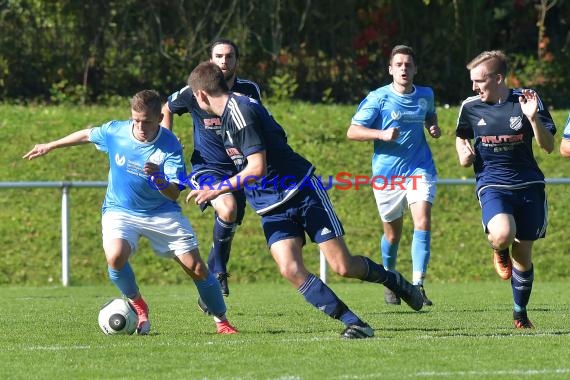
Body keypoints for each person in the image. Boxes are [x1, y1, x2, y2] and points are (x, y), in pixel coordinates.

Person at [185, 61, 425, 339]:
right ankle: (355, 322)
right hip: (270, 206)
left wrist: (218, 189)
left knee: (343, 266)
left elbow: (257, 167)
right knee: (290, 268)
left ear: (201, 95)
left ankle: (393, 280)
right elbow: (277, 135)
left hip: (301, 192)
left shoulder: (239, 113)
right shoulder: (233, 112)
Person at [23, 90, 238, 335]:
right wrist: (50, 145)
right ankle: (139, 305)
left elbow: (173, 194)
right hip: (120, 210)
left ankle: (222, 321)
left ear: (159, 117)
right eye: (136, 120)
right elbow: (87, 134)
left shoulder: (170, 146)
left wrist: (158, 178)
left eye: (146, 121)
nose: (140, 126)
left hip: (162, 212)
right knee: (115, 257)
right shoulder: (116, 131)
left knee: (197, 268)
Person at [455, 50, 556, 328]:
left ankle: (519, 313)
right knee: (502, 234)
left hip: (529, 185)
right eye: (472, 81)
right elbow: (462, 137)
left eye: (479, 81)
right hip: (493, 184)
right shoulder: (470, 106)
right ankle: (499, 248)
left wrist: (533, 118)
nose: (474, 87)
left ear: (498, 78)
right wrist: (463, 154)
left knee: (523, 256)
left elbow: (548, 146)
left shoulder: (527, 99)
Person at [162, 38, 262, 298]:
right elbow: (166, 108)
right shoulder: (194, 91)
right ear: (210, 60)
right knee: (227, 208)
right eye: (219, 56)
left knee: (230, 216)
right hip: (206, 167)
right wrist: (165, 143)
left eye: (229, 56)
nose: (224, 61)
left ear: (237, 61)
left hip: (241, 169)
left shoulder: (249, 90)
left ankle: (216, 271)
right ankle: (215, 276)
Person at [347, 45, 440, 307]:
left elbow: (429, 112)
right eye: (398, 64)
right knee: (392, 235)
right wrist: (381, 134)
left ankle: (418, 285)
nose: (403, 69)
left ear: (415, 69)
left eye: (408, 64)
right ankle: (390, 281)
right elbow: (353, 131)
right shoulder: (378, 98)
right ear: (390, 69)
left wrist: (432, 125)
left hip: (420, 168)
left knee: (422, 221)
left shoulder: (426, 94)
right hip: (387, 176)